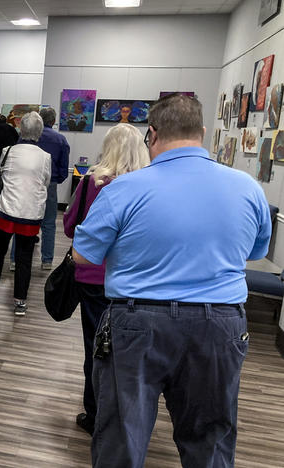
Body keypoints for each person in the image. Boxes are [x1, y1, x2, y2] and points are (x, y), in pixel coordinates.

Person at [72, 94, 271, 467]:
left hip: (137, 323)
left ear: (153, 133)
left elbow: (84, 255)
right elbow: (255, 252)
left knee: (121, 435)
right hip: (220, 325)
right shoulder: (247, 188)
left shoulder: (123, 189)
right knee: (210, 436)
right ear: (204, 132)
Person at [62, 124, 150, 437]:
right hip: (136, 281)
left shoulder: (91, 182)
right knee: (132, 351)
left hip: (93, 276)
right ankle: (127, 415)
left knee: (95, 347)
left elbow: (71, 227)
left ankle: (95, 412)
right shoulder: (150, 185)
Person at [0, 112, 52, 316]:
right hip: (30, 213)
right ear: (39, 132)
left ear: (21, 129)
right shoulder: (45, 157)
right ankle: (20, 301)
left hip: (5, 209)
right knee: (24, 257)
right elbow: (45, 182)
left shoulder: (8, 150)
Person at [10, 107, 69, 271]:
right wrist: (55, 180)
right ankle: (47, 260)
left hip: (26, 182)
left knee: (21, 220)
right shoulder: (61, 140)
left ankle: (15, 259)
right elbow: (63, 170)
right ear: (54, 121)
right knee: (49, 224)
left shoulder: (25, 138)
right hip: (49, 185)